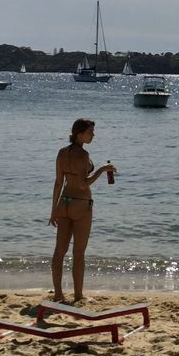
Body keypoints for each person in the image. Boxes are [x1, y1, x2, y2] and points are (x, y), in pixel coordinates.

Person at [49, 118, 117, 305]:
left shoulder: (62, 153)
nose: (93, 135)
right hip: (81, 204)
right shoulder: (83, 156)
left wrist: (53, 210)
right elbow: (83, 184)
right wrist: (102, 169)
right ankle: (78, 295)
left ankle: (58, 295)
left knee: (59, 252)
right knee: (78, 253)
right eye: (90, 132)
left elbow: (58, 183)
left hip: (64, 202)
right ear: (79, 134)